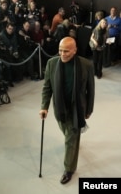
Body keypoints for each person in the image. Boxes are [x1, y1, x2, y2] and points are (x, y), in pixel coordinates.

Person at [39, 37, 95, 184]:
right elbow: (47, 87)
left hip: (77, 108)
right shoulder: (52, 64)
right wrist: (44, 107)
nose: (62, 54)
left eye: (66, 51)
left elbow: (91, 90)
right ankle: (75, 142)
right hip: (60, 109)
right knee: (67, 132)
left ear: (75, 50)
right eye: (60, 50)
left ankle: (69, 169)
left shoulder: (86, 65)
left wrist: (89, 109)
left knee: (70, 138)